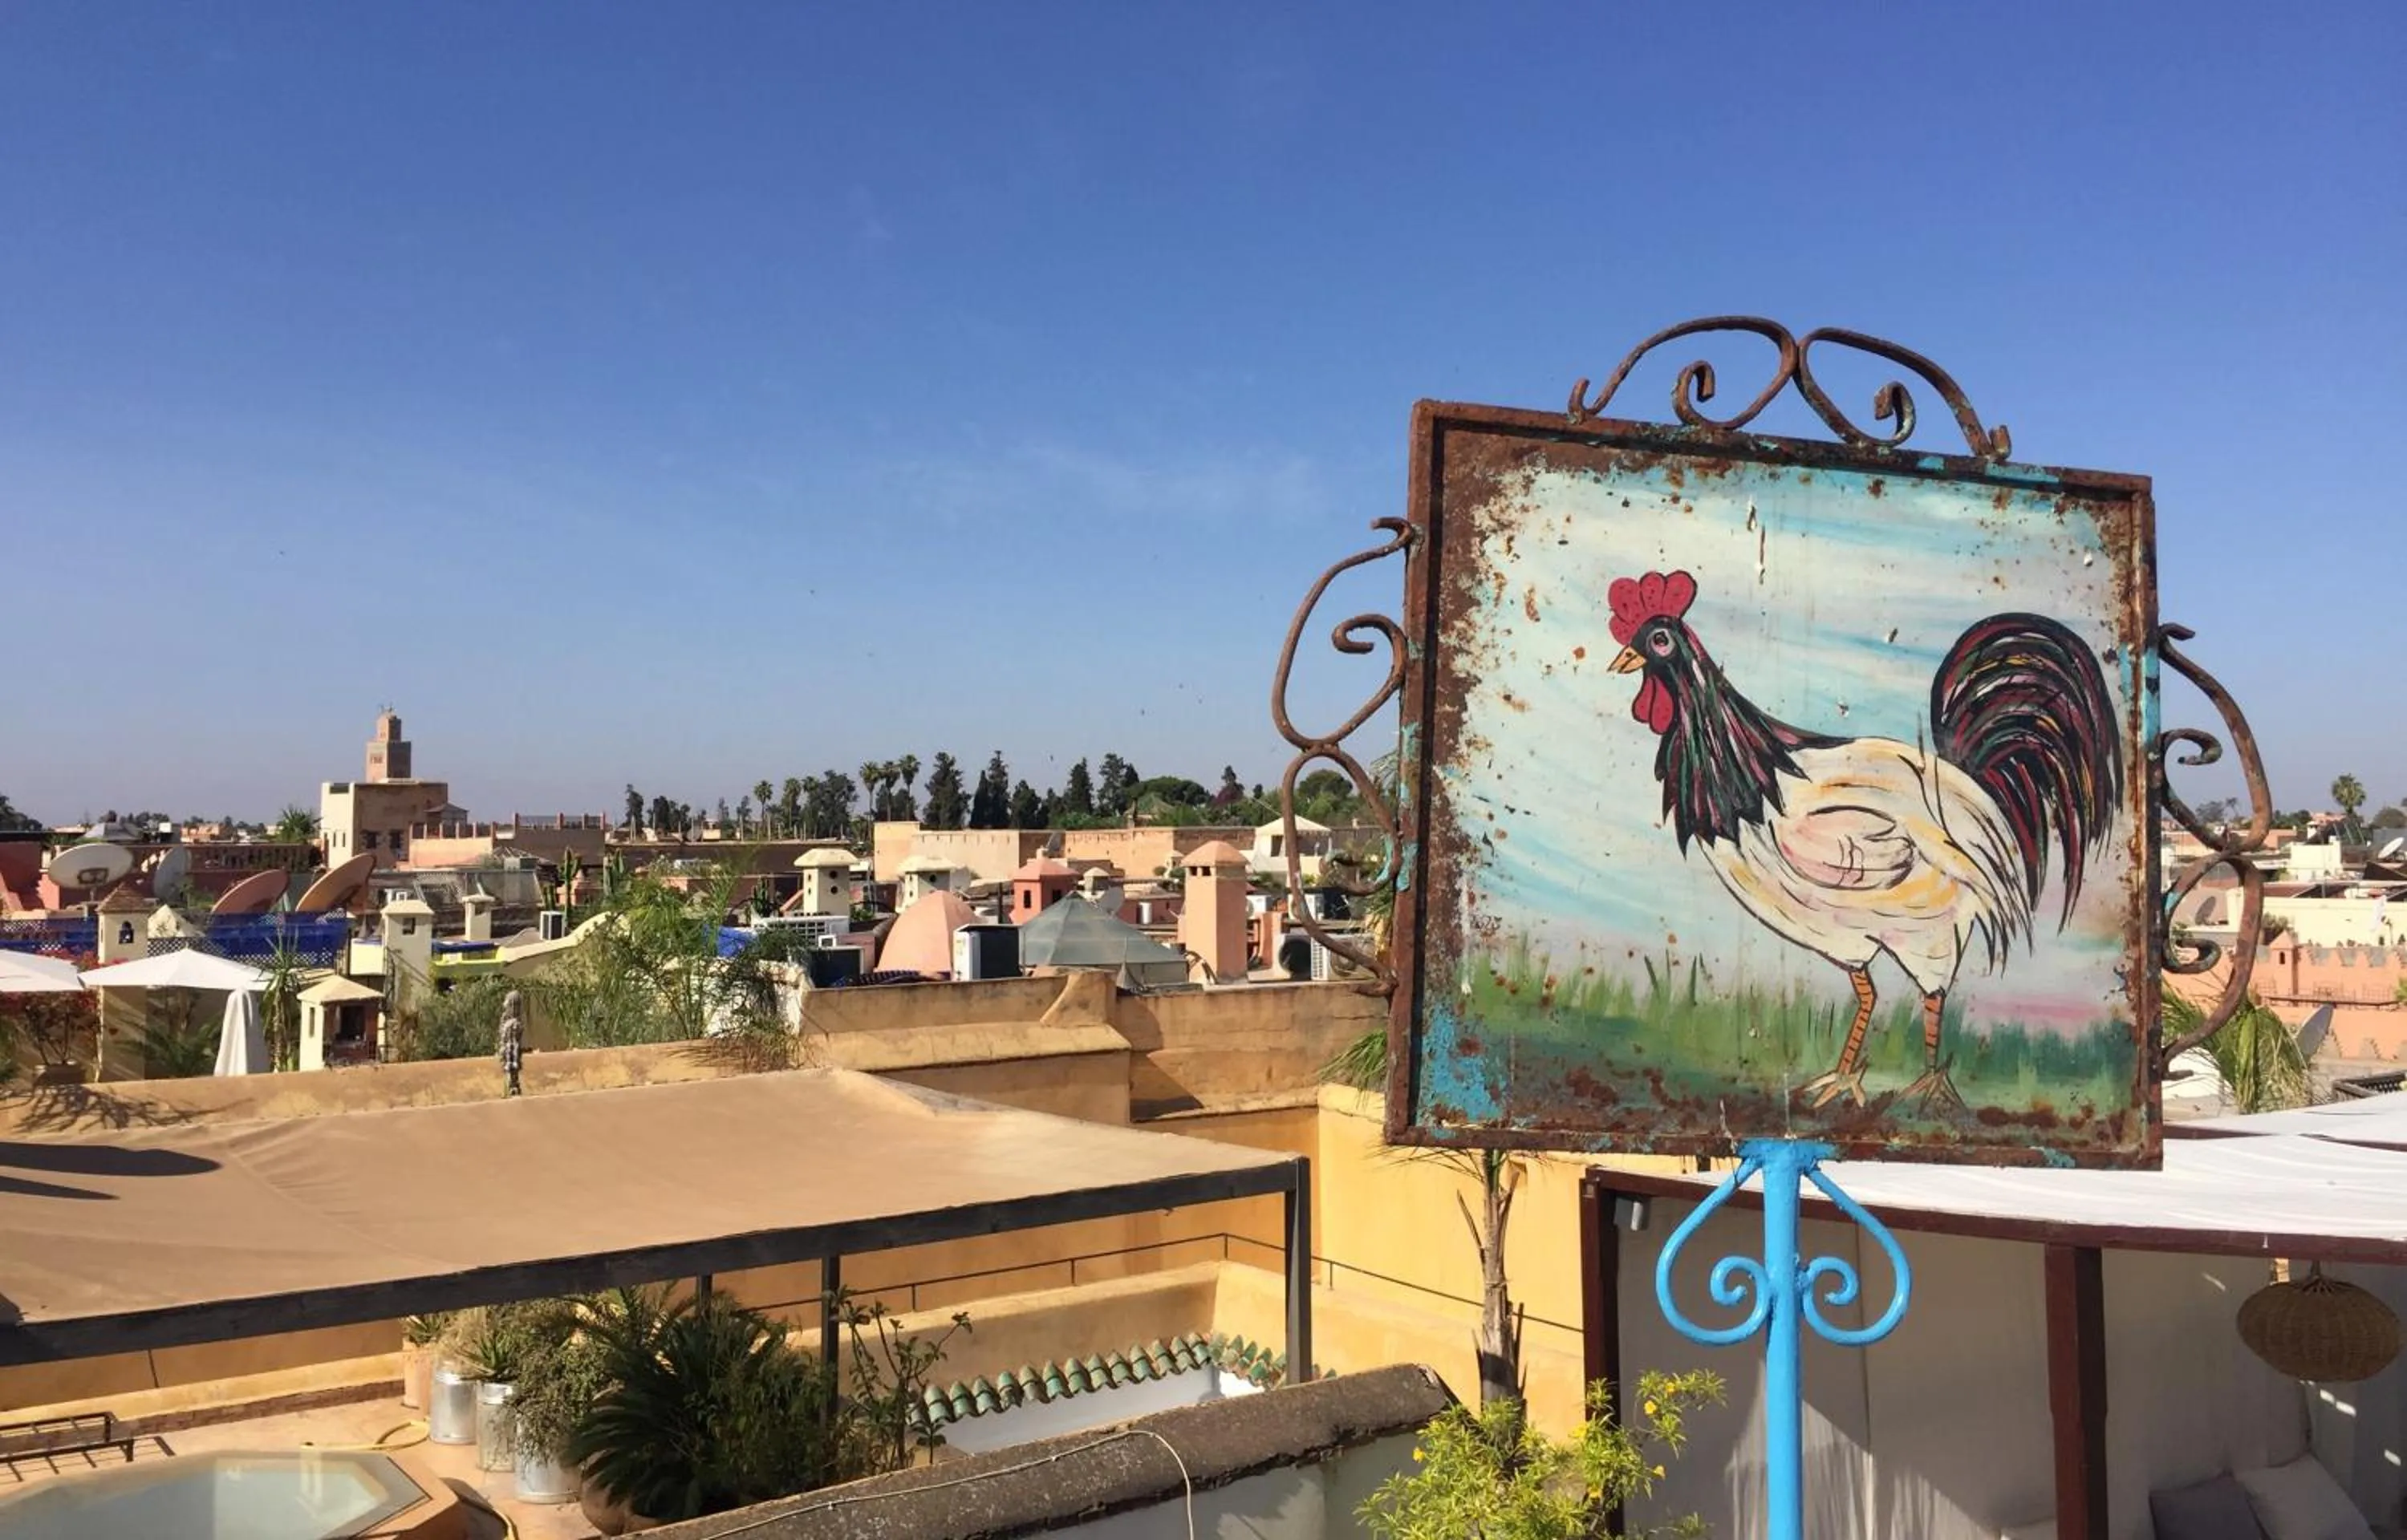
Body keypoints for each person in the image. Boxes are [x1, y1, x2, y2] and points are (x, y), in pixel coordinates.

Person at [497, 988, 525, 1097]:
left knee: (511, 1075)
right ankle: (511, 1088)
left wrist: (512, 1062)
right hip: (508, 1055)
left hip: (510, 1056)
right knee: (509, 1074)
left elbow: (513, 1046)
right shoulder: (511, 1023)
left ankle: (512, 1088)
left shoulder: (513, 1025)